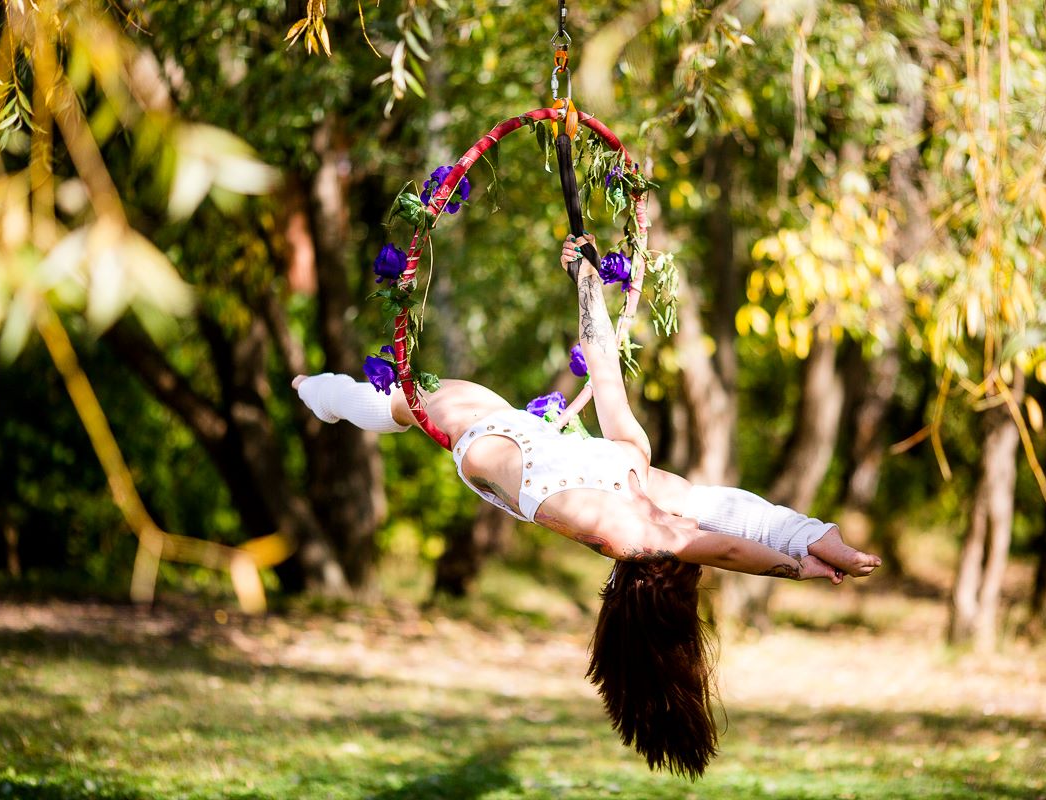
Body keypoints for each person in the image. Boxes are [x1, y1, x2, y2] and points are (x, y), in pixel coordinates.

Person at [292, 235, 881, 778]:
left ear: (664, 566)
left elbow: (728, 545)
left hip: (484, 447)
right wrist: (586, 281)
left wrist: (804, 564)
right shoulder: (645, 474)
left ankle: (328, 397)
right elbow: (606, 371)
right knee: (413, 398)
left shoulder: (626, 534)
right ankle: (330, 397)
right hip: (531, 436)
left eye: (690, 556)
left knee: (424, 400)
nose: (692, 530)